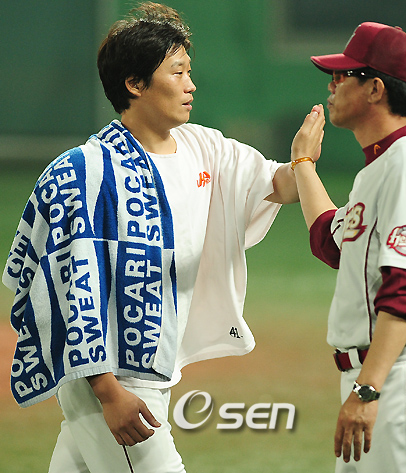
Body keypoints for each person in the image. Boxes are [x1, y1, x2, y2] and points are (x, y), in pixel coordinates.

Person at [2, 3, 324, 473]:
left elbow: (281, 186)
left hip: (144, 375)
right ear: (135, 84)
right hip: (116, 380)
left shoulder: (203, 147)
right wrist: (108, 392)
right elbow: (71, 291)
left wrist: (303, 160)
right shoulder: (89, 173)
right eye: (177, 72)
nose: (191, 84)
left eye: (189, 71)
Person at [290, 22, 406, 473]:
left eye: (343, 75)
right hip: (385, 377)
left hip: (400, 380)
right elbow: (333, 244)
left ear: (375, 89)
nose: (331, 85)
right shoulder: (380, 168)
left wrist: (367, 389)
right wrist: (303, 165)